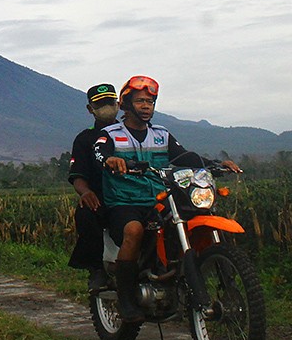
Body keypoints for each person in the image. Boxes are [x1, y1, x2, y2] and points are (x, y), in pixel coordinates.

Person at [94, 75, 241, 322]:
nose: (146, 106)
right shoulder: (110, 134)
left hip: (160, 199)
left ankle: (177, 277)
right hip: (125, 202)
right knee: (133, 230)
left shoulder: (162, 135)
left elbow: (184, 156)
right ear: (127, 104)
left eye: (150, 102)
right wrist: (111, 160)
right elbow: (99, 152)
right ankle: (126, 299)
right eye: (140, 101)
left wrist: (215, 164)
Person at [67, 83, 119, 292]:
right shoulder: (84, 139)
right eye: (100, 104)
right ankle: (97, 268)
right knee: (85, 213)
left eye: (110, 102)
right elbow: (77, 174)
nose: (106, 107)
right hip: (103, 199)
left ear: (118, 104)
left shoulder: (131, 132)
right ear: (90, 109)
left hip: (134, 196)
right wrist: (86, 192)